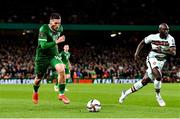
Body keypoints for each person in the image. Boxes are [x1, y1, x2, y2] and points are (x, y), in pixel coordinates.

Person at [119, 23, 176, 107]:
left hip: (161, 61)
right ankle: (158, 96)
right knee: (158, 76)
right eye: (164, 29)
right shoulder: (152, 37)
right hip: (151, 58)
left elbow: (173, 52)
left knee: (144, 81)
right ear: (159, 30)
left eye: (167, 29)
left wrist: (162, 51)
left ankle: (125, 93)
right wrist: (136, 53)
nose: (166, 31)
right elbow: (142, 42)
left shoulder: (171, 39)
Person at [32, 13, 70, 104]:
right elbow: (44, 46)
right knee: (38, 78)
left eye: (59, 23)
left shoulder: (60, 28)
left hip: (53, 54)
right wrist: (57, 41)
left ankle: (61, 94)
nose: (58, 25)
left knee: (61, 70)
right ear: (50, 22)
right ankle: (35, 92)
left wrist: (56, 44)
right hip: (42, 56)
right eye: (55, 23)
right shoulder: (43, 29)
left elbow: (55, 39)